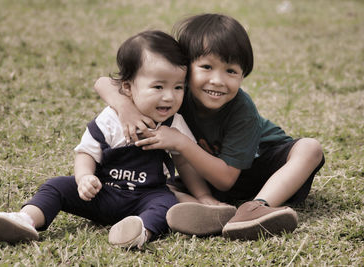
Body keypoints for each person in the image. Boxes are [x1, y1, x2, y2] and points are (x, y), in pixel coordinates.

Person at [0, 30, 227, 249]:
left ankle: (138, 230)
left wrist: (203, 196)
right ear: (128, 88)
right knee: (56, 185)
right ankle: (26, 219)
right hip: (102, 192)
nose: (169, 97)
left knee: (166, 204)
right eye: (158, 87)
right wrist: (84, 177)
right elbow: (86, 153)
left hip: (147, 196)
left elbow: (184, 164)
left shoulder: (175, 124)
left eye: (177, 88)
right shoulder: (112, 118)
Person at [94, 13, 325, 240]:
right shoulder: (174, 91)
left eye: (231, 71)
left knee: (310, 148)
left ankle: (255, 208)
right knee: (156, 185)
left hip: (263, 171)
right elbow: (103, 83)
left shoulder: (242, 111)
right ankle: (207, 210)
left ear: (243, 75)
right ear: (185, 68)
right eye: (206, 67)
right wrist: (125, 108)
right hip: (204, 177)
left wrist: (180, 142)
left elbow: (225, 179)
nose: (217, 80)